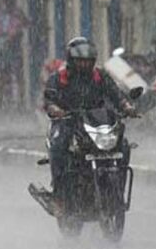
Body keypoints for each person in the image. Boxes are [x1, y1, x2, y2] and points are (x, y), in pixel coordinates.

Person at [43, 37, 138, 203]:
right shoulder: (59, 78)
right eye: (80, 61)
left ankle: (117, 190)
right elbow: (49, 100)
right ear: (71, 60)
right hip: (68, 122)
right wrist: (56, 110)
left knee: (123, 145)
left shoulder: (100, 76)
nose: (84, 65)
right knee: (59, 146)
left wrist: (127, 107)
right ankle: (59, 195)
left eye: (88, 61)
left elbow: (116, 95)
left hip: (97, 123)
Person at [0, 0, 30, 109]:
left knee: (18, 74)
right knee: (4, 75)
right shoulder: (1, 14)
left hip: (14, 47)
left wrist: (16, 30)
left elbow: (25, 24)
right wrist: (2, 35)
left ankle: (21, 101)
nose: (8, 3)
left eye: (10, 1)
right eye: (6, 1)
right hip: (3, 48)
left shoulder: (17, 13)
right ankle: (3, 100)